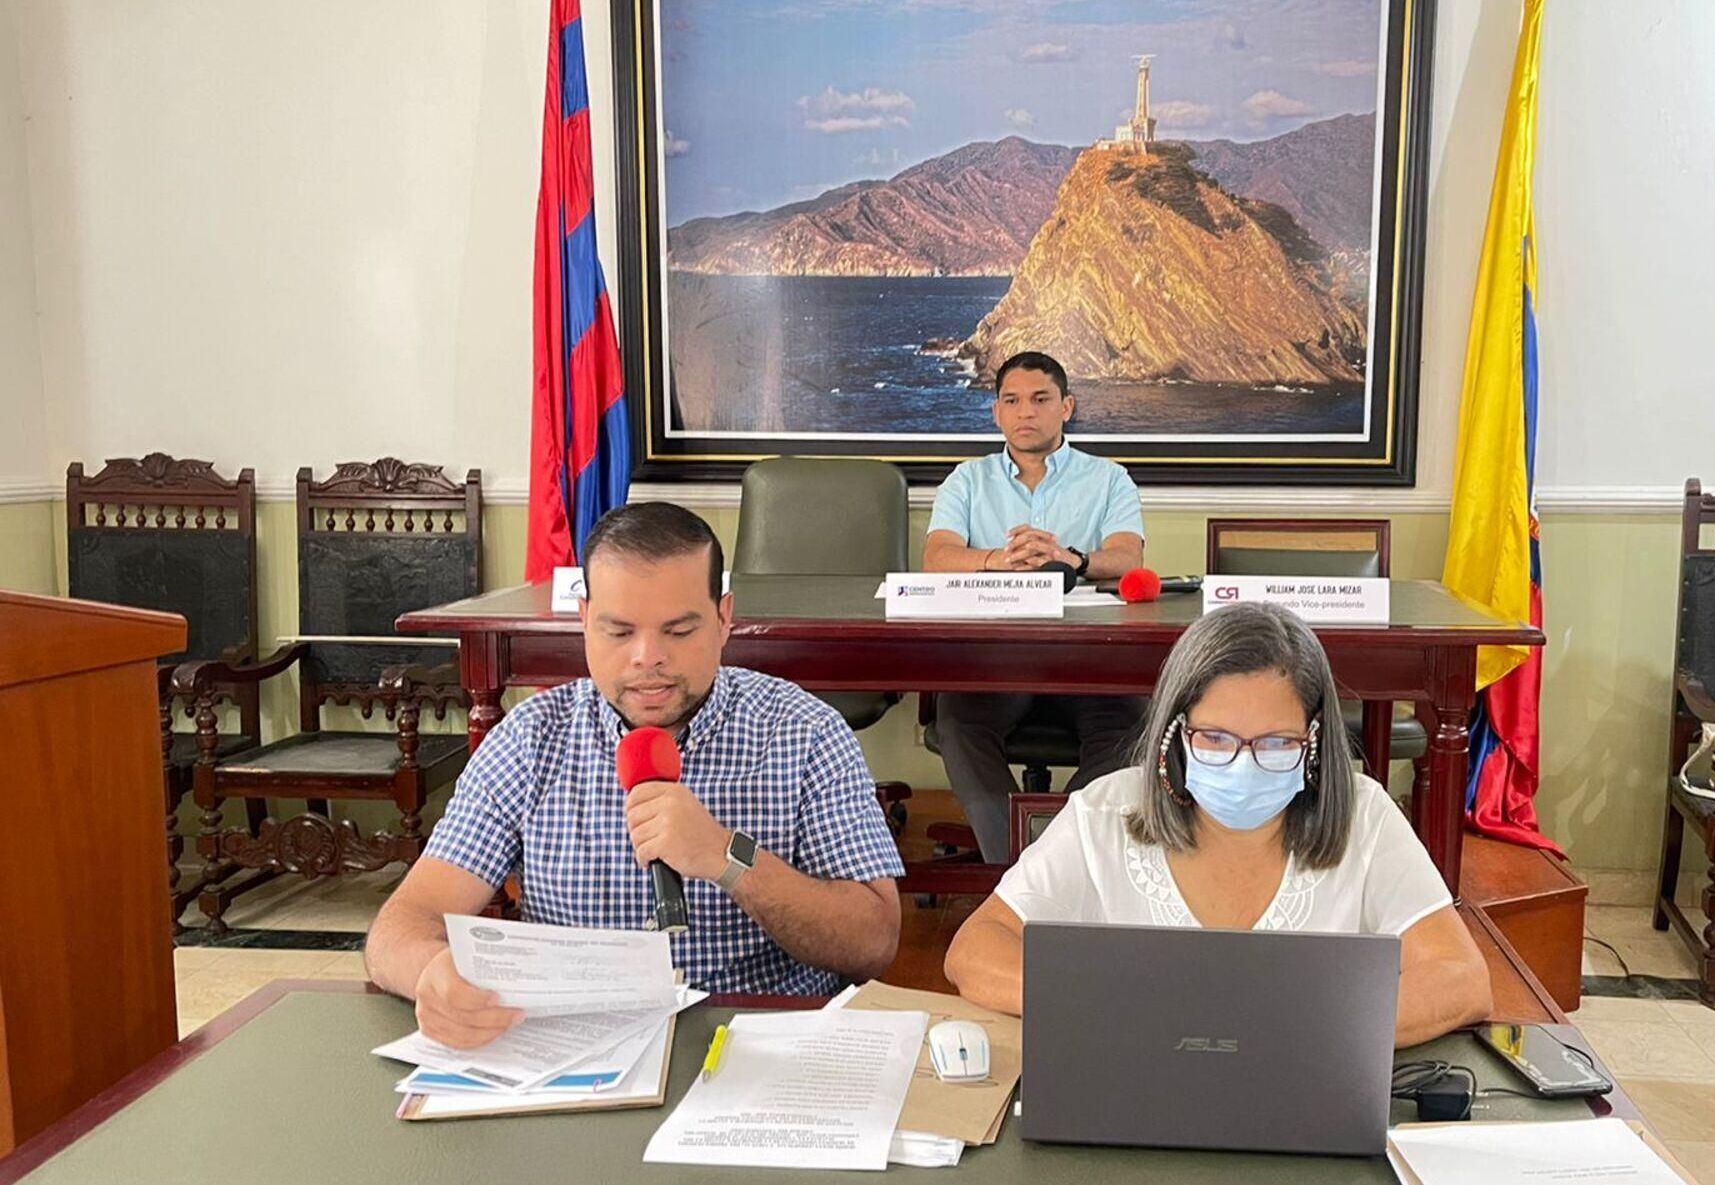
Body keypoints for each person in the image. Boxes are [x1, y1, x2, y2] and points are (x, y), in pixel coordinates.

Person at [364, 502, 904, 1047]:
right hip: (579, 1048)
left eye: (679, 630)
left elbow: (875, 941)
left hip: (758, 1043)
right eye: (619, 632)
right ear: (584, 619)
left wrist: (728, 857)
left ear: (723, 618)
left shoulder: (804, 732)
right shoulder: (529, 741)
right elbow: (401, 925)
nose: (648, 658)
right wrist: (430, 974)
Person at [944, 603, 1492, 1047]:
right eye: (1214, 738)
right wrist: (1115, 1008)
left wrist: (1294, 1028)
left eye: (1277, 743)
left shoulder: (1364, 816)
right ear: (1175, 735)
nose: (1242, 762)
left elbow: (1461, 978)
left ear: (1315, 740)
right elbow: (975, 952)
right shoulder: (1104, 813)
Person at [924, 350, 1149, 861]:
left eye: (1041, 399)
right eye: (1012, 401)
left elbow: (1127, 557)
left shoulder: (1109, 478)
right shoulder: (967, 479)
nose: (1026, 412)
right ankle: (1016, 867)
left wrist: (1071, 558)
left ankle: (1055, 858)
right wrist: (999, 560)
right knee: (957, 722)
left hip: (1089, 661)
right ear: (996, 413)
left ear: (1066, 407)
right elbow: (937, 558)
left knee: (1133, 727)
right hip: (995, 660)